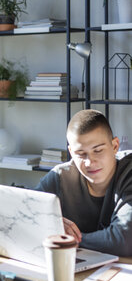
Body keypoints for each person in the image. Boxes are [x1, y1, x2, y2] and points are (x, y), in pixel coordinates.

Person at [35, 109, 132, 256]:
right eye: (80, 154)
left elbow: (124, 240)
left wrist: (67, 239)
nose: (89, 162)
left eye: (98, 150)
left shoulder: (129, 172)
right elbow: (25, 214)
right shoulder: (59, 176)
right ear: (71, 151)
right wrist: (50, 223)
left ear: (115, 146)